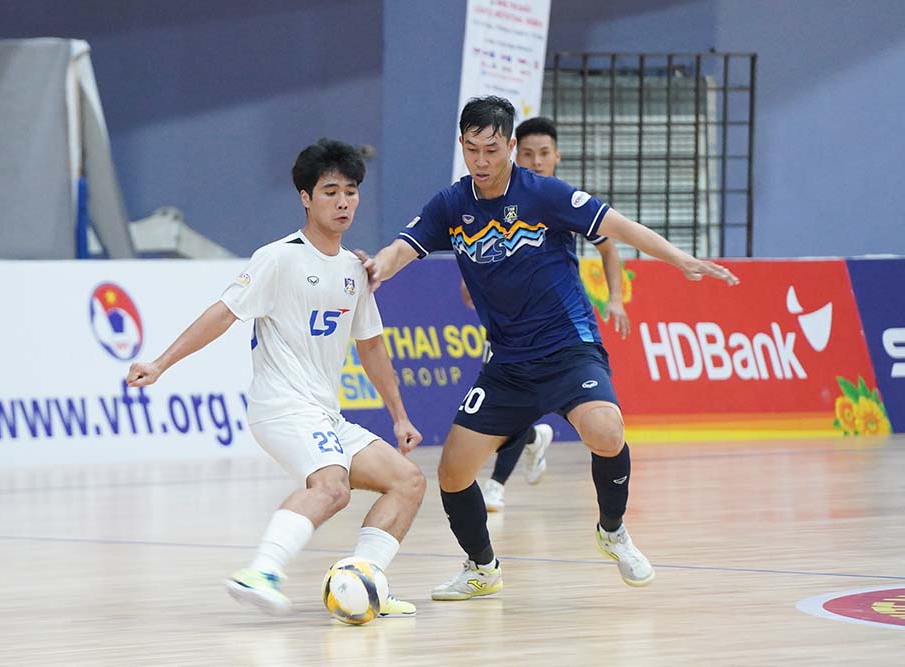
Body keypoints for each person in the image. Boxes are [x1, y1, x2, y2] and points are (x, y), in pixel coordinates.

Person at [359, 96, 738, 600]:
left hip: (567, 348)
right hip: (507, 364)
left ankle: (613, 531)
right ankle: (482, 567)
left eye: (491, 149)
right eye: (471, 150)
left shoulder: (544, 194)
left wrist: (678, 259)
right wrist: (380, 268)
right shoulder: (451, 205)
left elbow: (617, 228)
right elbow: (405, 245)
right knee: (452, 472)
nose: (481, 161)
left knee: (606, 430)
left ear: (510, 146)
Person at [126, 139, 426, 617]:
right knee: (333, 487)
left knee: (408, 481)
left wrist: (399, 416)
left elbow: (371, 346)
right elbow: (222, 314)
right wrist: (161, 363)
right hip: (281, 406)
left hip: (325, 414)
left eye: (351, 191)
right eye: (330, 191)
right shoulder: (278, 258)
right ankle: (261, 570)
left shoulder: (355, 269)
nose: (343, 201)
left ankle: (364, 579)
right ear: (305, 198)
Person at [471, 116, 632, 512]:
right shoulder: (487, 201)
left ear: (556, 157)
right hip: (507, 327)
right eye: (528, 154)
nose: (536, 161)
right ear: (514, 154)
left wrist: (616, 299)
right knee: (507, 410)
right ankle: (531, 440)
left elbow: (609, 246)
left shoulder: (559, 199)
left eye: (544, 154)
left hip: (554, 328)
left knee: (536, 400)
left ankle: (496, 484)